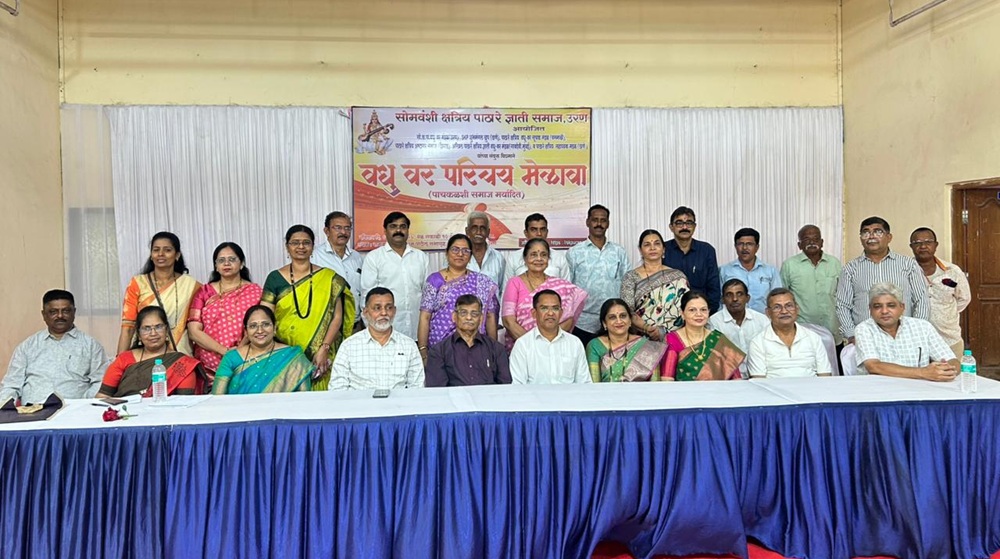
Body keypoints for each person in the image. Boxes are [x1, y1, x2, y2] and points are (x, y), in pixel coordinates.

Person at [262, 225, 356, 391]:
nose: (301, 247)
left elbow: (337, 317)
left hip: (321, 354)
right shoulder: (275, 278)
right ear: (287, 247)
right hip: (284, 353)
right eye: (295, 243)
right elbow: (265, 316)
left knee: (321, 400)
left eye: (306, 242)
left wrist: (324, 348)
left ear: (313, 247)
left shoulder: (329, 278)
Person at [1, 290, 108, 404]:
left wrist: (82, 404)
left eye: (66, 311)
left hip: (74, 411)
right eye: (53, 312)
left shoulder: (91, 346)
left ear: (74, 312)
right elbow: (11, 384)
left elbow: (100, 383)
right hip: (33, 410)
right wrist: (4, 406)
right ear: (44, 315)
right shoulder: (28, 346)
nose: (60, 316)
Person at [836, 217, 930, 344]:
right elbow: (842, 305)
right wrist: (851, 334)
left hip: (903, 337)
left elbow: (921, 300)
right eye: (866, 232)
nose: (871, 236)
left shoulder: (908, 265)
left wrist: (916, 331)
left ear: (889, 237)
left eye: (878, 232)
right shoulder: (850, 269)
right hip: (865, 338)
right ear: (861, 238)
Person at [187, 242, 263, 384]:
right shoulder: (204, 292)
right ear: (216, 266)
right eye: (221, 260)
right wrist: (225, 351)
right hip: (208, 366)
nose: (226, 263)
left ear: (241, 264)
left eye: (232, 259)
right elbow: (193, 331)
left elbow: (260, 326)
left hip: (246, 359)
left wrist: (239, 351)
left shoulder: (255, 292)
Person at [417, 234, 500, 359]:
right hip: (440, 348)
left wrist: (493, 350)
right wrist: (423, 350)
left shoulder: (482, 282)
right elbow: (425, 317)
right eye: (455, 249)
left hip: (474, 347)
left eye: (465, 251)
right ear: (447, 253)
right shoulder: (434, 280)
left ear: (470, 256)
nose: (460, 254)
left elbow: (489, 316)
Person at [118, 231, 201, 355]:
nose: (161, 254)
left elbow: (198, 326)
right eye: (156, 250)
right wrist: (120, 362)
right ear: (151, 255)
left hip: (180, 355)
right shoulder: (138, 283)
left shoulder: (192, 285)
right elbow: (128, 328)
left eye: (167, 250)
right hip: (145, 355)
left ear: (177, 255)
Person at [854, 282, 959, 380]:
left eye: (891, 305)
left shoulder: (923, 327)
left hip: (919, 389)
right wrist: (924, 372)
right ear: (870, 310)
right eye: (877, 307)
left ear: (902, 307)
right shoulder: (864, 329)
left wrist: (946, 371)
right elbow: (874, 366)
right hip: (879, 389)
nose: (884, 311)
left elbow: (952, 360)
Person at [501, 238, 588, 352]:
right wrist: (532, 346)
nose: (539, 259)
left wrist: (548, 343)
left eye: (543, 255)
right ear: (525, 259)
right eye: (533, 255)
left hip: (554, 349)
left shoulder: (560, 285)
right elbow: (508, 321)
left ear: (548, 259)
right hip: (523, 349)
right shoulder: (514, 283)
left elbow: (568, 320)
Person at [329, 287, 425, 390]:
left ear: (394, 311)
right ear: (365, 312)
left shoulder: (408, 346)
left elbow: (417, 388)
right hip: (360, 401)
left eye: (389, 307)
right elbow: (337, 388)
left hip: (399, 401)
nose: (384, 313)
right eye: (377, 308)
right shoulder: (349, 346)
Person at [98, 306, 203, 398]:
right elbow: (103, 396)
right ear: (139, 334)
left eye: (158, 327)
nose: (153, 333)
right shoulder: (124, 359)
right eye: (146, 328)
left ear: (166, 330)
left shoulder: (182, 364)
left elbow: (184, 402)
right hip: (125, 413)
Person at [567, 204, 631, 347]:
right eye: (595, 220)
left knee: (612, 360)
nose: (599, 224)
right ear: (587, 222)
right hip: (582, 322)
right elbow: (568, 287)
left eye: (603, 220)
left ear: (608, 223)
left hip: (614, 321)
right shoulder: (574, 252)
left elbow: (627, 284)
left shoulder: (619, 251)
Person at [213, 305, 314, 394]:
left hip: (282, 409)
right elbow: (217, 399)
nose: (260, 330)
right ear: (246, 332)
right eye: (253, 326)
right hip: (240, 410)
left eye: (265, 324)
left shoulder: (293, 357)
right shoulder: (231, 358)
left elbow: (304, 399)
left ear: (274, 328)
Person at [360, 211, 429, 340]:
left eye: (403, 226)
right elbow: (367, 296)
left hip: (417, 330)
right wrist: (372, 329)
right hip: (385, 331)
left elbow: (427, 295)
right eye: (393, 226)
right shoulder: (374, 258)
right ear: (385, 231)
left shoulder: (421, 257)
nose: (398, 230)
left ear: (408, 230)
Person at [909, 227, 971, 358]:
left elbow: (964, 298)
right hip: (916, 341)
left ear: (936, 245)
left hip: (949, 339)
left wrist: (946, 313)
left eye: (928, 242)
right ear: (911, 247)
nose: (923, 246)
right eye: (917, 243)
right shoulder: (905, 271)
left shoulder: (952, 271)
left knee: (953, 371)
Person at [425, 294, 511, 387]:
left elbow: (505, 386)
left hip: (490, 396)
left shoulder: (496, 349)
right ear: (454, 317)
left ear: (481, 318)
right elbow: (437, 390)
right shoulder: (439, 351)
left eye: (474, 314)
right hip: (454, 396)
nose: (469, 318)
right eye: (463, 313)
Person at [620, 229, 689, 341]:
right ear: (640, 250)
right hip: (641, 338)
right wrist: (648, 329)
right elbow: (627, 311)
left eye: (657, 244)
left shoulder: (678, 276)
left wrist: (663, 331)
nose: (652, 248)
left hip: (676, 338)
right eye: (647, 244)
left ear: (663, 249)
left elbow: (688, 308)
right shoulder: (630, 277)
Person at [509, 290, 592, 384]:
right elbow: (518, 385)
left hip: (569, 394)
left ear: (561, 313)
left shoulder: (574, 343)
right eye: (544, 308)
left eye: (555, 308)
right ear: (534, 313)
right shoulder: (523, 345)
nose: (550, 313)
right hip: (534, 394)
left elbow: (584, 383)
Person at [747, 288, 833, 378]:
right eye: (777, 307)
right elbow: (758, 381)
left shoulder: (813, 338)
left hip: (811, 386)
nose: (784, 311)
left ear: (797, 309)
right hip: (773, 387)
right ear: (768, 313)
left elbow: (825, 376)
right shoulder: (758, 343)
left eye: (789, 306)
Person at [780, 225, 843, 345]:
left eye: (815, 239)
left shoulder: (834, 263)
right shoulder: (789, 265)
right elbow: (782, 298)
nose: (812, 242)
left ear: (822, 242)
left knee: (834, 357)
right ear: (799, 245)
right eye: (806, 239)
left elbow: (843, 295)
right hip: (802, 330)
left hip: (832, 328)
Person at [664, 291, 745, 381]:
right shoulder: (672, 339)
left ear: (709, 312)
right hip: (684, 390)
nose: (699, 314)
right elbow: (667, 379)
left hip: (718, 390)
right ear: (682, 313)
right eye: (692, 310)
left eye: (703, 310)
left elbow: (737, 379)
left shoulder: (718, 339)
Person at [586, 298, 668, 382]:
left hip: (642, 391)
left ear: (630, 320)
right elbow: (594, 385)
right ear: (604, 323)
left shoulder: (647, 346)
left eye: (623, 316)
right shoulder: (595, 345)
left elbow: (655, 386)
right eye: (612, 317)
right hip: (606, 391)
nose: (619, 321)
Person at [311, 211, 366, 333]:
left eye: (347, 228)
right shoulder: (314, 256)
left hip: (354, 325)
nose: (343, 232)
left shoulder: (356, 257)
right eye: (338, 228)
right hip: (326, 328)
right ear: (326, 231)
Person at [662, 206, 722, 313]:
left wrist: (707, 312)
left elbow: (714, 287)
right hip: (669, 313)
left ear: (694, 226)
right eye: (679, 223)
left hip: (700, 313)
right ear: (671, 227)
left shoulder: (706, 250)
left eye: (689, 223)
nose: (684, 227)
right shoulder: (663, 250)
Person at [719, 227, 783, 314]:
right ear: (735, 246)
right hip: (733, 320)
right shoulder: (724, 271)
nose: (744, 248)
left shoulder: (770, 271)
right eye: (740, 244)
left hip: (764, 319)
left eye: (749, 244)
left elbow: (778, 299)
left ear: (757, 247)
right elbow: (720, 301)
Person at [502, 213, 572, 287]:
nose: (539, 233)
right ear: (526, 233)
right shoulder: (514, 257)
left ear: (547, 232)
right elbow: (507, 289)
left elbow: (567, 288)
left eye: (542, 229)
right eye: (534, 230)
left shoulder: (559, 257)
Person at [708, 279, 769, 354]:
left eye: (739, 294)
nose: (735, 299)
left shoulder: (762, 320)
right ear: (723, 300)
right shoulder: (714, 322)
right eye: (729, 295)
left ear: (747, 298)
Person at [465, 211, 506, 289]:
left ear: (488, 232)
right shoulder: (458, 257)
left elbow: (503, 289)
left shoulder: (498, 258)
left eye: (482, 228)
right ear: (467, 231)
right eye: (474, 228)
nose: (478, 232)